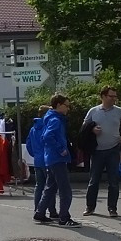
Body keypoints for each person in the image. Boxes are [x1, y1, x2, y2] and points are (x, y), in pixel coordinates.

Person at [82, 85, 121, 218]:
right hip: (97, 151)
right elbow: (84, 127)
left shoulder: (119, 111)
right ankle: (90, 207)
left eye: (115, 96)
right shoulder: (93, 111)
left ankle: (112, 208)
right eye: (111, 96)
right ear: (103, 97)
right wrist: (92, 130)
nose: (114, 99)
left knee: (113, 181)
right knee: (93, 181)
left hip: (113, 149)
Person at [34, 94, 79, 227]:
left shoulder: (50, 118)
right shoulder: (56, 120)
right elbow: (47, 136)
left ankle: (40, 213)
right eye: (66, 105)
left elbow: (45, 136)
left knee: (50, 187)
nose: (68, 108)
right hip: (57, 158)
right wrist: (61, 149)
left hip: (51, 158)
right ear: (59, 105)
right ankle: (64, 218)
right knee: (65, 190)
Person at [27, 106, 58, 221]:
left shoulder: (33, 128)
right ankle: (52, 211)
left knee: (39, 186)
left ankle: (38, 209)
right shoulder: (47, 126)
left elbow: (29, 145)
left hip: (37, 160)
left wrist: (35, 154)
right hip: (47, 160)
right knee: (50, 187)